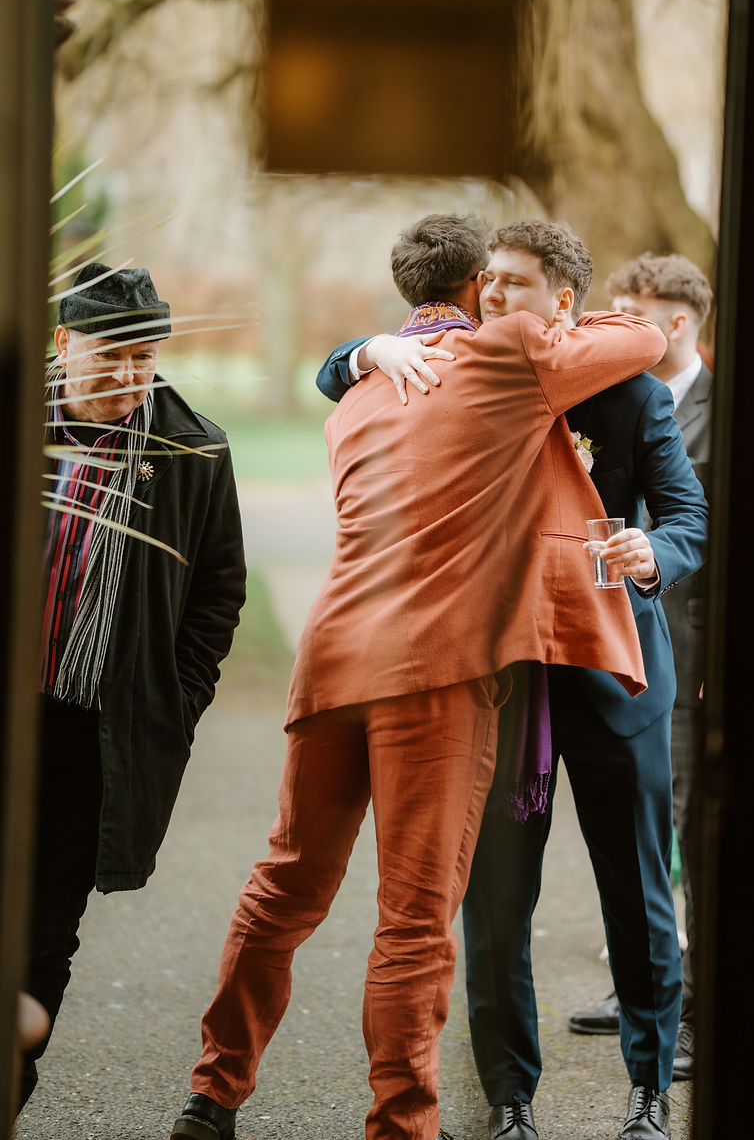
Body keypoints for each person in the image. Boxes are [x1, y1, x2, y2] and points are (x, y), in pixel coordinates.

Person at [170, 213, 668, 1140]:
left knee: (284, 885)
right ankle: (403, 1126)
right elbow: (642, 335)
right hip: (435, 673)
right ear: (481, 284)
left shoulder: (357, 393)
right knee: (414, 919)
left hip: (332, 661)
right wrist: (537, 317)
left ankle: (212, 1093)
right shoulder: (509, 355)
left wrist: (360, 350)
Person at [319, 220, 709, 1140]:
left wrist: (653, 549)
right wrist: (361, 347)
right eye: (486, 282)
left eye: (515, 284)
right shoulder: (459, 376)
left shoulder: (630, 395)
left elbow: (689, 513)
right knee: (498, 899)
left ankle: (650, 1093)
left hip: (620, 673)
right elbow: (343, 374)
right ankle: (509, 1100)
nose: (491, 297)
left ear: (563, 303)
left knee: (640, 890)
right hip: (502, 677)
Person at [23, 262, 246, 1111]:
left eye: (144, 357)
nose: (126, 377)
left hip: (99, 736)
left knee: (47, 937)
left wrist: (174, 705)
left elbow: (218, 592)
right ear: (63, 343)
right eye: (109, 356)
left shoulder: (194, 448)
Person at [568, 253, 713, 1087]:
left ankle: (691, 1009)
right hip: (634, 652)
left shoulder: (720, 407)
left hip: (694, 660)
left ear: (677, 322)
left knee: (691, 837)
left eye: (633, 312)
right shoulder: (613, 397)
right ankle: (650, 998)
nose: (614, 327)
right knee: (648, 840)